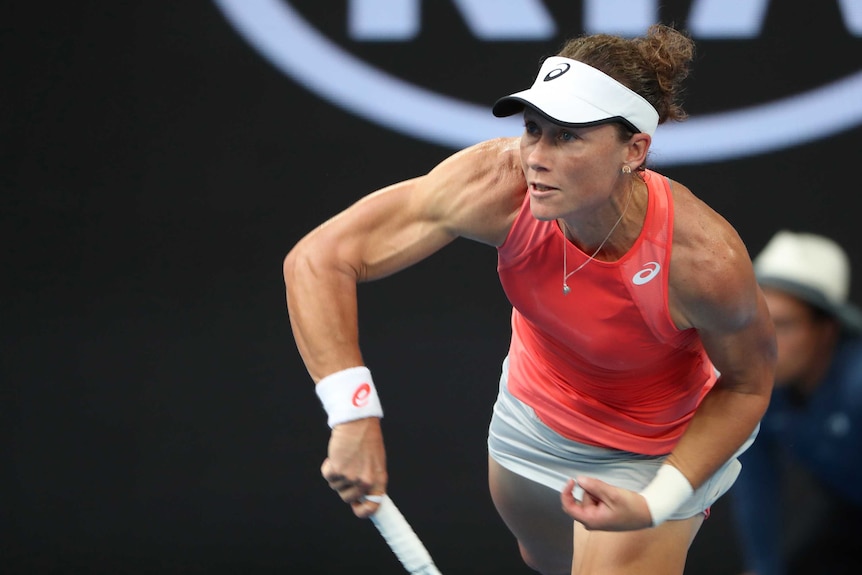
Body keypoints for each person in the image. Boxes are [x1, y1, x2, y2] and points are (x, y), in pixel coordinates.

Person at [283, 24, 776, 575]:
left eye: (567, 137)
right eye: (534, 129)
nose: (536, 156)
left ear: (634, 149)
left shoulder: (702, 260)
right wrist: (353, 417)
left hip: (652, 450)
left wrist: (655, 501)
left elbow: (748, 385)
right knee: (545, 562)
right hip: (532, 420)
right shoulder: (500, 183)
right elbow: (319, 258)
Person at [730, 231, 862, 575]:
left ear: (827, 330)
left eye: (785, 324)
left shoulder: (857, 383)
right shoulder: (759, 390)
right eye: (759, 320)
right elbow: (755, 489)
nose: (766, 340)